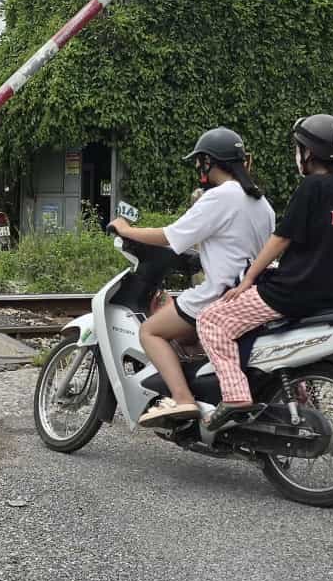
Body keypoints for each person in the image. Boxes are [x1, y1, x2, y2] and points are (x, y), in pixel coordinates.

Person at [196, 114, 333, 429]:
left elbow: (281, 238)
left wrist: (249, 279)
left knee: (212, 321)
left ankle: (235, 395)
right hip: (326, 295)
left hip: (290, 292)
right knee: (279, 348)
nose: (297, 154)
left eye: (299, 147)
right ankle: (298, 408)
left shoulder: (312, 187)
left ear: (310, 153)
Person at [107, 127, 275, 428]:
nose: (198, 167)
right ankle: (203, 388)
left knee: (151, 331)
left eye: (199, 161)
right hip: (249, 295)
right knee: (183, 330)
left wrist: (126, 229)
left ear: (208, 162)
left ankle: (183, 398)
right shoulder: (261, 203)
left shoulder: (221, 196)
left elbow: (170, 236)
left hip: (218, 296)